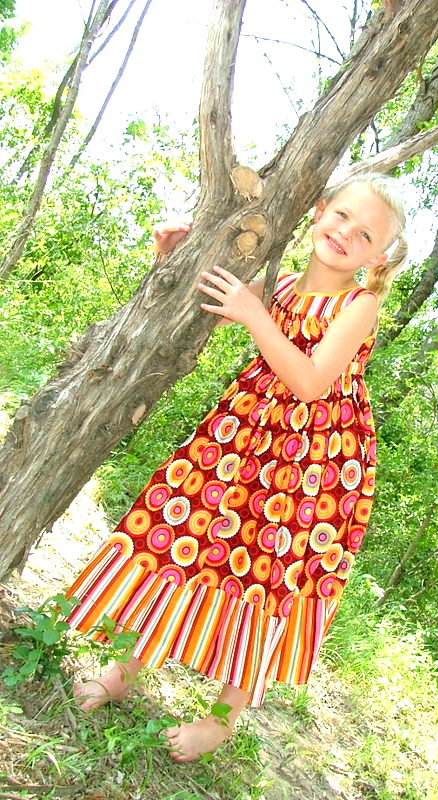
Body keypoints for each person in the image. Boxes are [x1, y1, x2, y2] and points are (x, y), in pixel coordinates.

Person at [64, 173, 408, 762]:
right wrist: (172, 258)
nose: (347, 233)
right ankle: (124, 670)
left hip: (315, 467)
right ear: (320, 210)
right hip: (244, 437)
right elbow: (207, 303)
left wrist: (255, 313)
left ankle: (222, 719)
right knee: (185, 536)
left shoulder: (361, 304)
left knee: (272, 576)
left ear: (377, 257)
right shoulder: (280, 283)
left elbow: (310, 382)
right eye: (342, 216)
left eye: (366, 234)